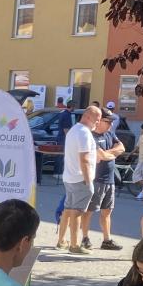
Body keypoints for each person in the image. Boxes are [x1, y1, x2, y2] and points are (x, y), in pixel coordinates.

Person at [59, 104, 101, 254]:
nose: (98, 122)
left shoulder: (74, 130)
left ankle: (61, 241)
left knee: (68, 209)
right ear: (88, 117)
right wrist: (88, 180)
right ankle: (74, 245)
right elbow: (84, 159)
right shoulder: (84, 133)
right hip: (80, 178)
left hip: (69, 176)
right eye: (97, 119)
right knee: (76, 211)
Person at [85, 108, 125, 251]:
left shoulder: (110, 133)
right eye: (108, 121)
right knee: (89, 210)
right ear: (100, 120)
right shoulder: (91, 136)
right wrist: (111, 153)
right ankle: (85, 238)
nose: (110, 124)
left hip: (110, 179)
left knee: (107, 211)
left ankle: (106, 240)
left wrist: (108, 154)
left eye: (112, 122)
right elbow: (99, 156)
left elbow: (121, 148)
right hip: (96, 179)